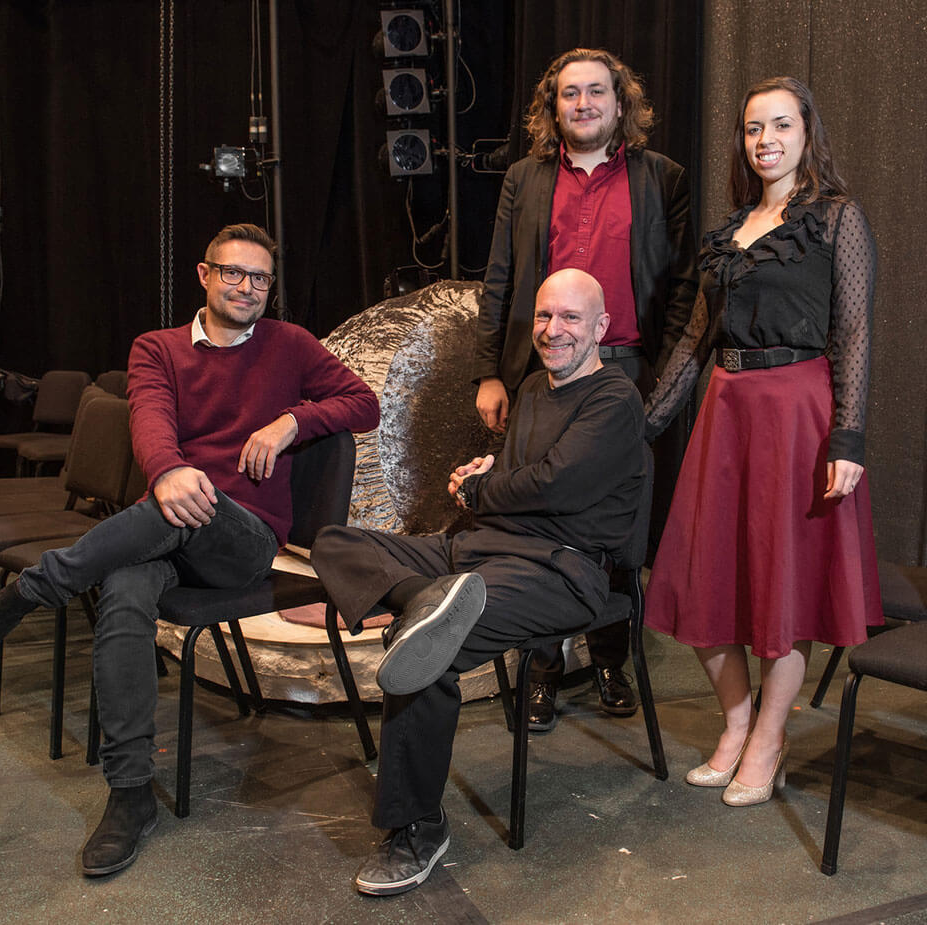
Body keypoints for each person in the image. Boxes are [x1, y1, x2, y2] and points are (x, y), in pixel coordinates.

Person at [0, 223, 380, 874]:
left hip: (246, 537)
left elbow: (361, 403)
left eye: (260, 278)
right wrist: (167, 469)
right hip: (168, 520)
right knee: (125, 590)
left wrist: (292, 421)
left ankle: (27, 594)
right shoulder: (157, 348)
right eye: (233, 273)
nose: (247, 287)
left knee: (185, 507)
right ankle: (131, 792)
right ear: (203, 275)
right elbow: (149, 418)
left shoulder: (291, 345)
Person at [312, 268, 644, 895]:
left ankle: (415, 829)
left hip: (560, 569)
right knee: (336, 541)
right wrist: (486, 475)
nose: (554, 330)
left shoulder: (613, 399)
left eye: (571, 318)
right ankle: (424, 601)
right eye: (545, 317)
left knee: (424, 654)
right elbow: (524, 480)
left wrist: (478, 487)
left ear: (600, 327)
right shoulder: (533, 392)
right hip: (481, 552)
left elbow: (556, 485)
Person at [644, 77, 883, 806]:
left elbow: (854, 333)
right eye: (754, 128)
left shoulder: (836, 219)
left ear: (808, 133)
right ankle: (736, 722)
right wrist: (641, 426)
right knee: (700, 577)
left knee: (785, 587)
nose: (766, 140)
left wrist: (848, 436)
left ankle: (771, 737)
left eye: (781, 125)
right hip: (727, 412)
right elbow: (693, 339)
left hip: (799, 414)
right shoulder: (727, 231)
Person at [475, 47, 697, 730]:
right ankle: (541, 666)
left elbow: (686, 288)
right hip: (541, 374)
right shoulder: (523, 178)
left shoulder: (664, 178)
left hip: (627, 371)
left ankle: (609, 657)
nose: (583, 105)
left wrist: (665, 379)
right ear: (553, 106)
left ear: (621, 102)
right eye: (569, 94)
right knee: (536, 517)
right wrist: (489, 369)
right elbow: (500, 278)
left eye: (596, 92)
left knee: (616, 525)